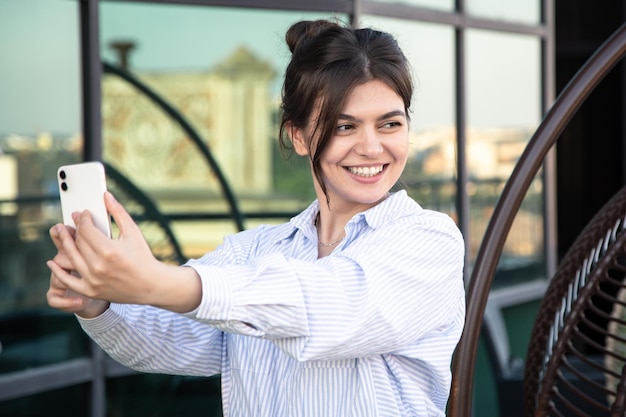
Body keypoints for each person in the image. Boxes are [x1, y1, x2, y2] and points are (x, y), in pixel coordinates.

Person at [46, 19, 465, 417]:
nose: (372, 148)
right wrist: (98, 302)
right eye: (344, 127)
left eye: (390, 124)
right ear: (297, 136)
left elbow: (324, 305)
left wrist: (156, 280)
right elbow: (169, 340)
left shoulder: (429, 241)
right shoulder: (253, 251)